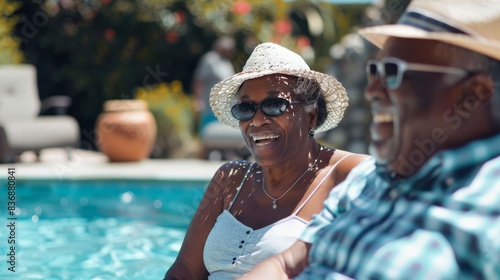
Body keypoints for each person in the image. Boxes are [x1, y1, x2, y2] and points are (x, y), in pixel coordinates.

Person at [239, 0, 500, 279]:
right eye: (374, 71)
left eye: (393, 73)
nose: (372, 90)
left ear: (474, 93)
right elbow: (287, 264)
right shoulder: (368, 181)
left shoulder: (489, 208)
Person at [164, 42, 370, 279]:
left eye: (274, 105)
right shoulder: (230, 179)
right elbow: (185, 270)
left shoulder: (349, 174)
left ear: (310, 117)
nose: (257, 120)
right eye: (246, 107)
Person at [193, 36, 236, 132]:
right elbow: (199, 80)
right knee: (208, 136)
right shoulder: (210, 59)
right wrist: (198, 101)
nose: (230, 52)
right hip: (210, 109)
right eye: (227, 49)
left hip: (224, 110)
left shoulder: (227, 62)